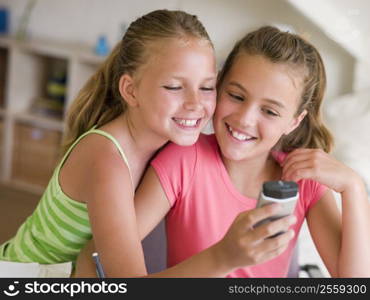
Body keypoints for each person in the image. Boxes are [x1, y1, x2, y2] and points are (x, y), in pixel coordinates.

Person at [132, 26, 370, 277]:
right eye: (236, 95)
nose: (245, 119)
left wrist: (353, 187)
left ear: (294, 121)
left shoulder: (305, 180)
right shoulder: (182, 161)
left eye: (269, 111)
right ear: (219, 84)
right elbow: (111, 276)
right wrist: (222, 258)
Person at [0, 9, 217, 277]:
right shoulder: (107, 160)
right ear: (130, 90)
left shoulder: (166, 141)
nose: (196, 103)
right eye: (174, 87)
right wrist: (221, 259)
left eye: (207, 87)